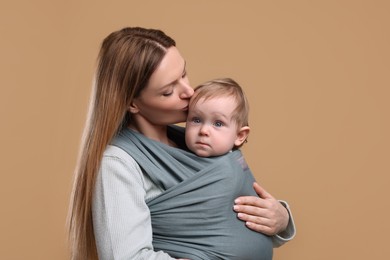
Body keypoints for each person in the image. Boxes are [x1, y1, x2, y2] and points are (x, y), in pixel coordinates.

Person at [67, 27, 295, 260]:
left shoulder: (193, 140)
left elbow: (227, 216)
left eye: (184, 74)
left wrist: (281, 219)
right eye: (168, 91)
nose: (189, 91)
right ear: (132, 103)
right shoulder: (118, 164)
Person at [185, 78, 250, 157]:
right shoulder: (175, 156)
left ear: (239, 135)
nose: (203, 131)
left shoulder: (232, 166)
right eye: (197, 120)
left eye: (218, 124)